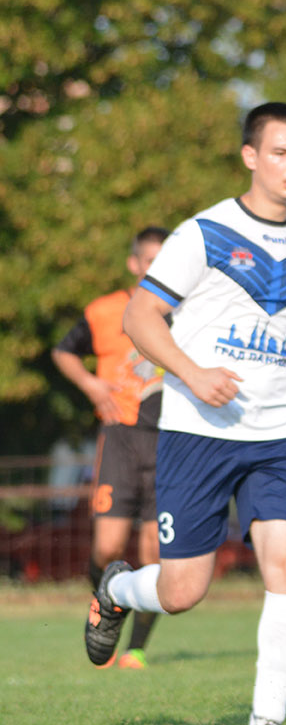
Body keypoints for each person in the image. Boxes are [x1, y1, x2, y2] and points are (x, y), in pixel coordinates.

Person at [84, 102, 286, 725]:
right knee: (183, 592)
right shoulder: (203, 234)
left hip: (275, 436)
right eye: (282, 153)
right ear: (250, 157)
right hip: (195, 432)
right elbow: (141, 318)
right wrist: (190, 371)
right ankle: (117, 590)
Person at [54, 226, 170, 669]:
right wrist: (90, 384)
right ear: (134, 263)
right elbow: (64, 351)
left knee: (156, 555)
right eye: (149, 261)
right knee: (108, 547)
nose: (155, 270)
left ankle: (136, 647)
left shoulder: (186, 312)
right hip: (119, 438)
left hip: (168, 443)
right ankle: (105, 608)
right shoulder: (105, 311)